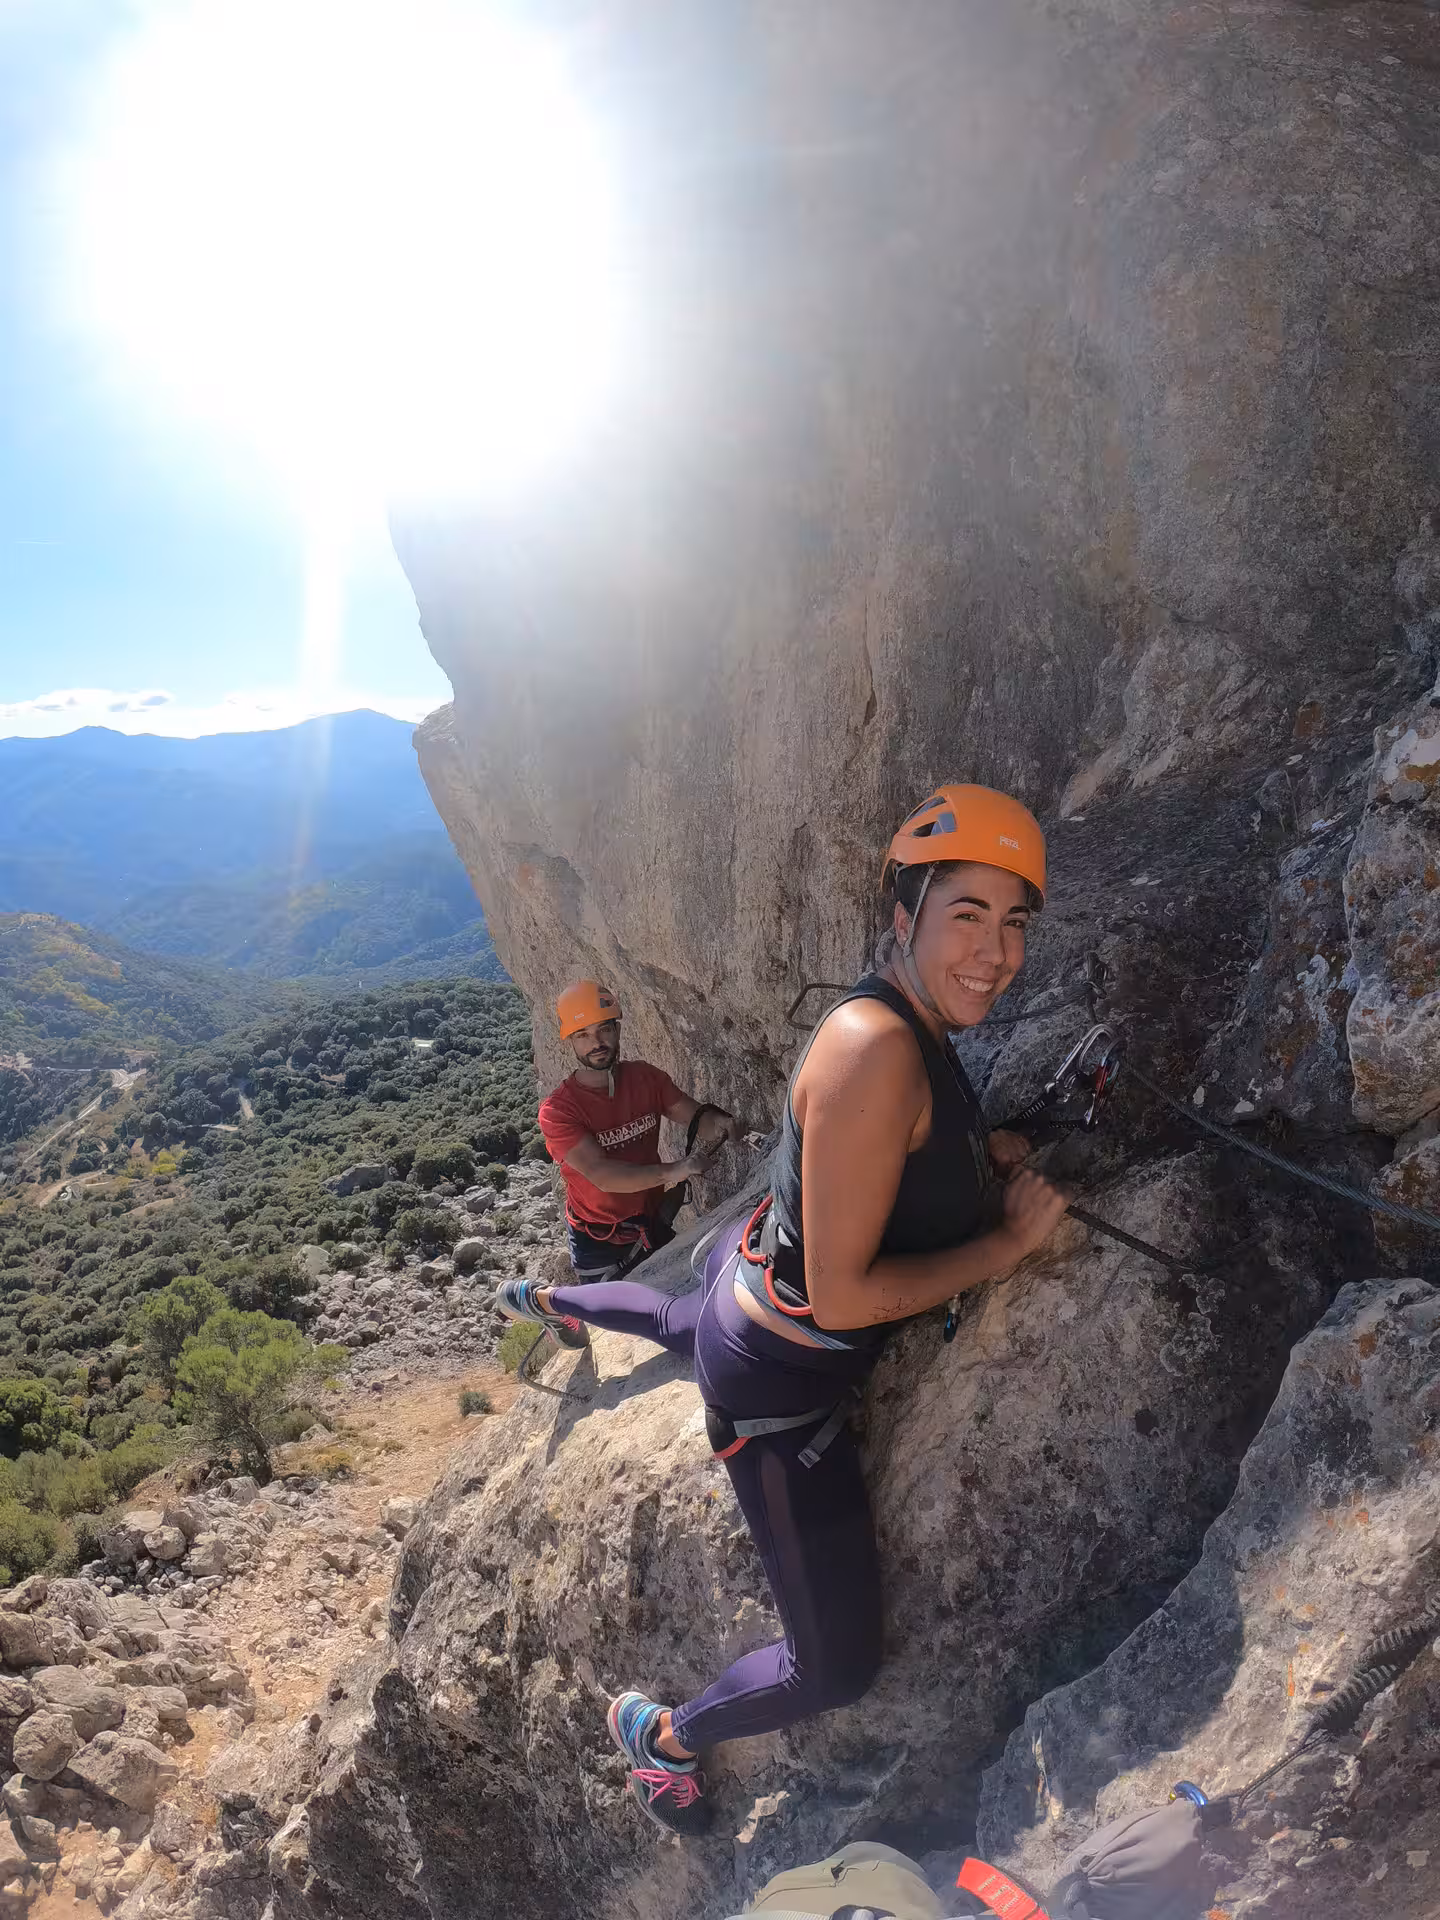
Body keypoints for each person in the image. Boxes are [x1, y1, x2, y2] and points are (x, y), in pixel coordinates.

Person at [500, 787, 1070, 1836]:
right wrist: (1004, 1244)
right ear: (904, 920)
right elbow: (847, 1292)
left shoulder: (909, 1018)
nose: (996, 951)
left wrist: (994, 1150)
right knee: (834, 1664)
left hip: (743, 1272)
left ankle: (551, 1295)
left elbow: (893, 1155)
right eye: (968, 915)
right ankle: (661, 1737)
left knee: (679, 1321)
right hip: (775, 1385)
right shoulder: (877, 1047)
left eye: (1015, 921)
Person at [532, 978, 743, 1285]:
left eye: (604, 1029)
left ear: (617, 1029)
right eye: (583, 1035)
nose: (596, 1043)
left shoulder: (645, 1079)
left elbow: (695, 1116)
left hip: (653, 1221)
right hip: (600, 1244)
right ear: (571, 1042)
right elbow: (603, 1175)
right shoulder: (559, 1111)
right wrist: (676, 1170)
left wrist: (722, 1125)